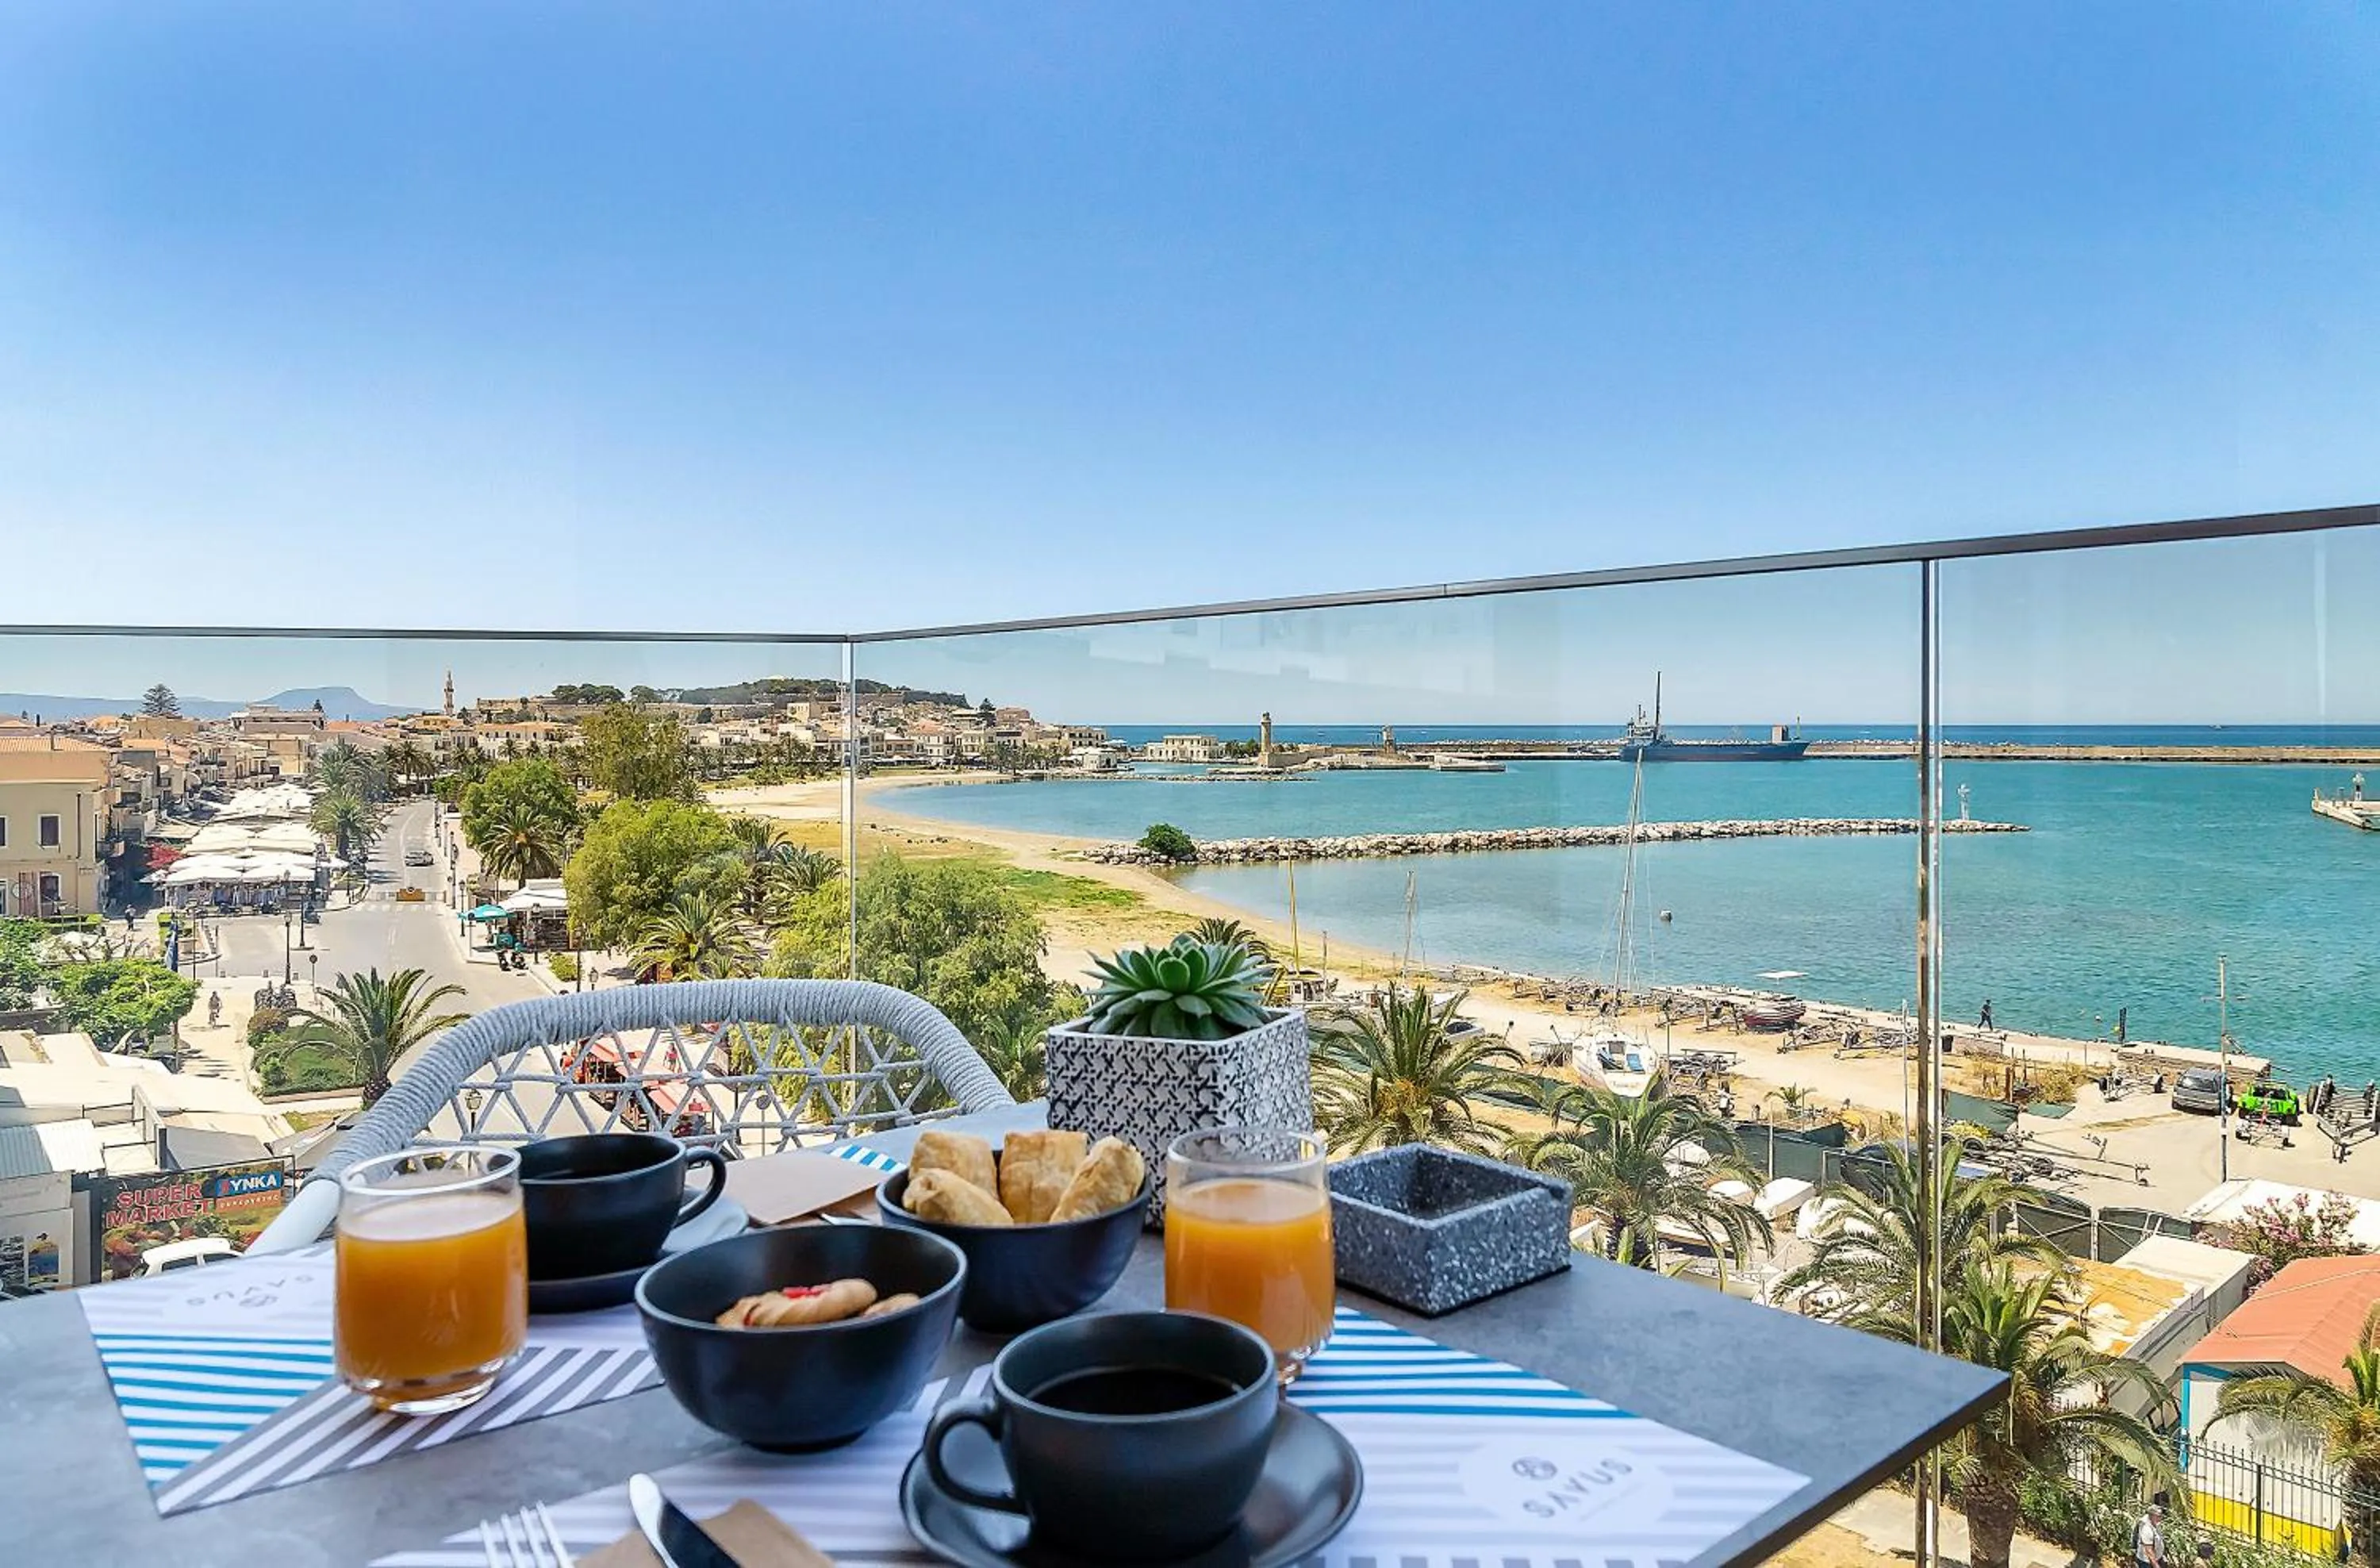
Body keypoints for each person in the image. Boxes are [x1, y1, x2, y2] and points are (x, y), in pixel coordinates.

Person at [2135, 1494, 2167, 1568]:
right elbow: (2149, 1551)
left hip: (2157, 1558)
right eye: (2158, 1516)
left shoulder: (2155, 1523)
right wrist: (2156, 1565)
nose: (2160, 1518)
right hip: (2147, 1562)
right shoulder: (2147, 1529)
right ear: (2152, 1516)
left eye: (2161, 1516)